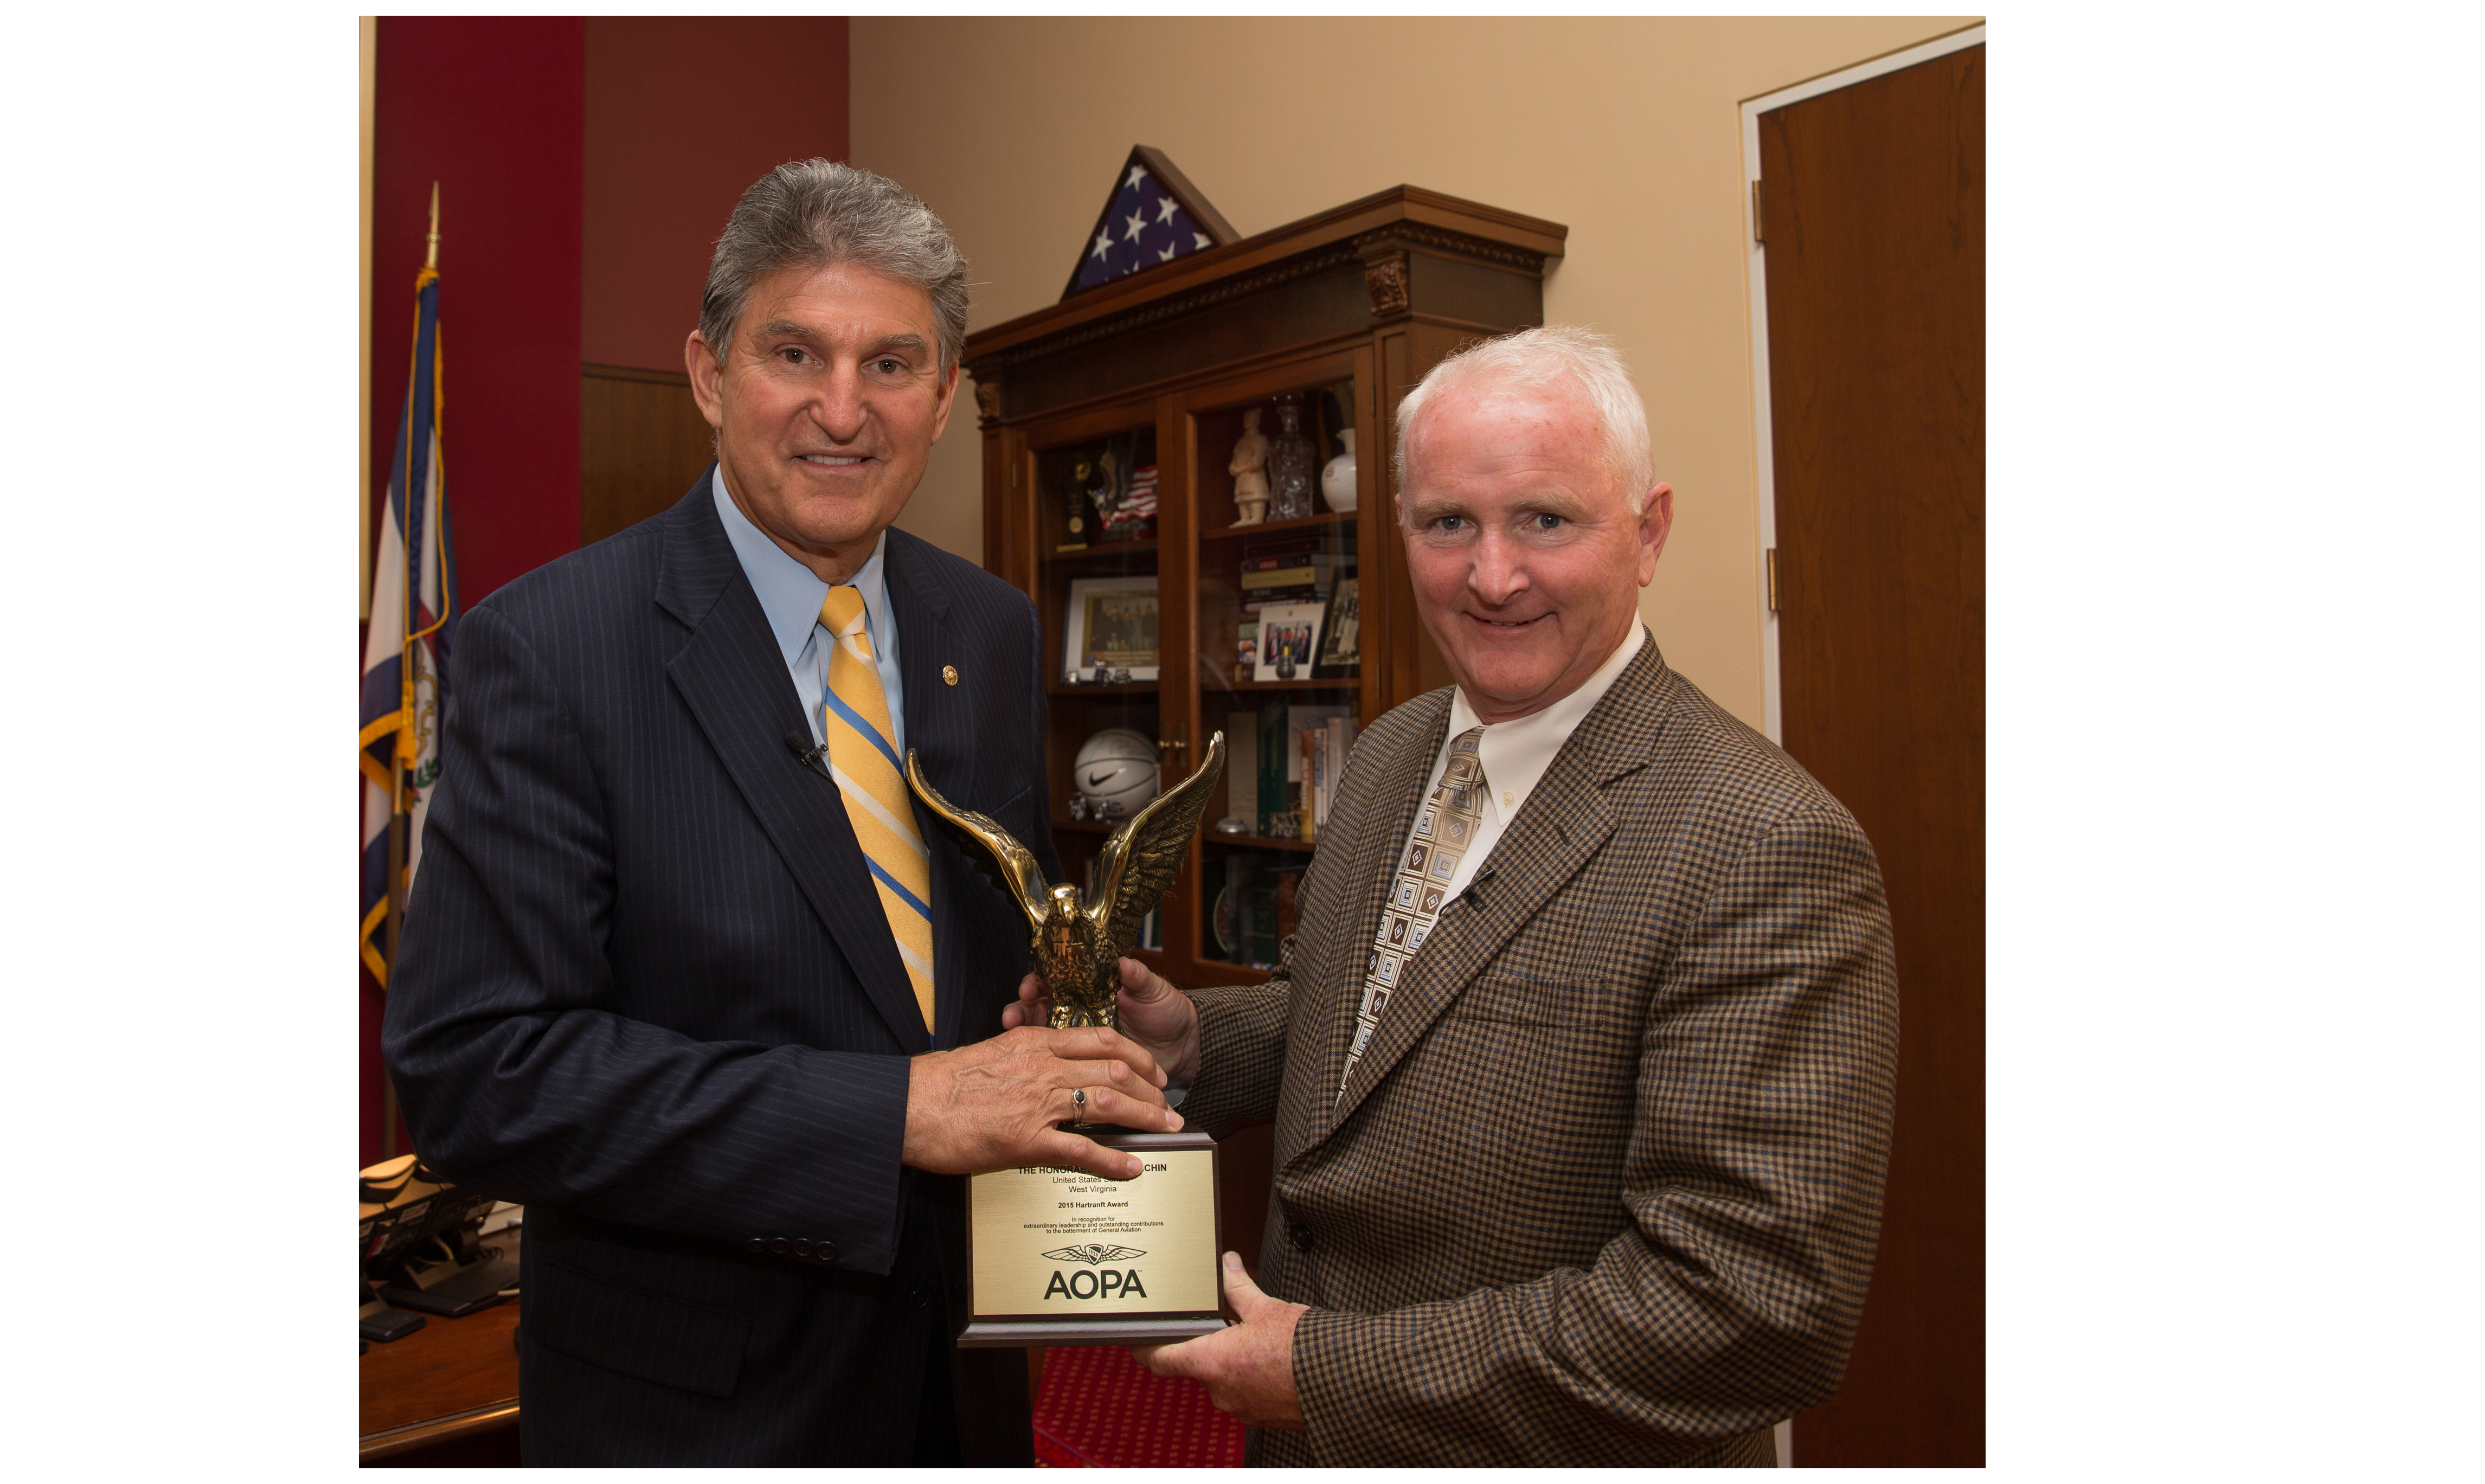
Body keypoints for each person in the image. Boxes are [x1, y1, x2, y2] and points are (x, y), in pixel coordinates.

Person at [383, 160, 1181, 1467]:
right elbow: (479, 1073)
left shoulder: (987, 626)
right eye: (794, 352)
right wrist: (895, 1116)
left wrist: (1063, 1016)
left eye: (891, 364)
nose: (841, 410)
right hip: (696, 1405)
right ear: (708, 373)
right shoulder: (550, 647)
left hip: (961, 1381)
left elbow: (953, 967)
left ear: (945, 400)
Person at [1009, 326, 1900, 1466]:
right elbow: (1357, 1021)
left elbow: (1748, 1310)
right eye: (1448, 525)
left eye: (1545, 519)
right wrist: (1186, 1038)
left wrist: (1329, 1372)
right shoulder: (1388, 755)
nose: (1493, 577)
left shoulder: (1766, 845)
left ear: (1649, 531)